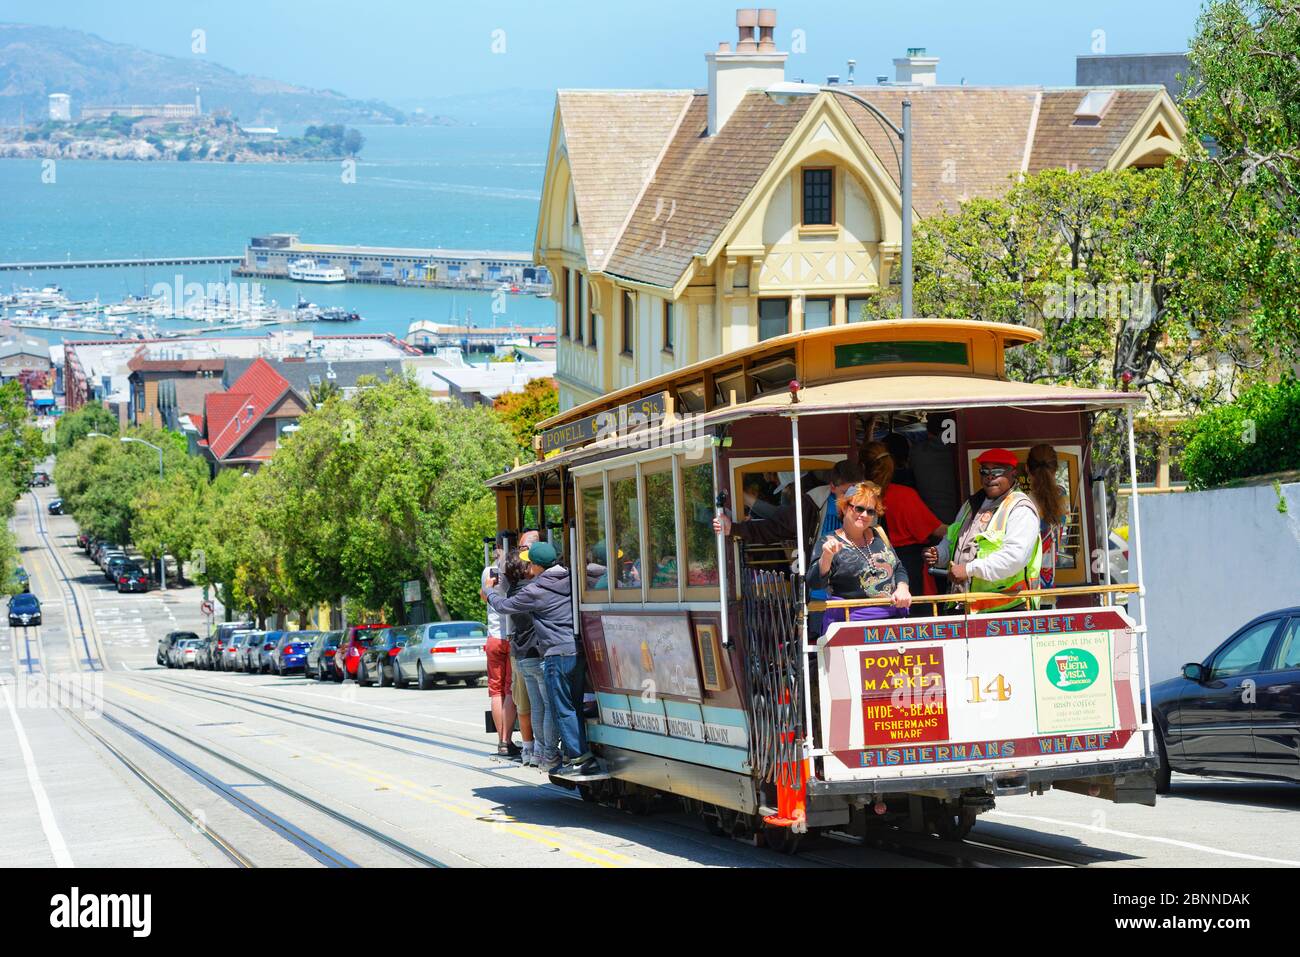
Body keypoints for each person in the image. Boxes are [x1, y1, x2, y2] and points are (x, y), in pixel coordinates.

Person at [484, 541, 599, 778]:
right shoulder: (572, 579)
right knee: (574, 706)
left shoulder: (536, 590)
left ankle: (578, 759)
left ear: (536, 565)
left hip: (556, 653)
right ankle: (576, 755)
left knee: (561, 708)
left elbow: (505, 606)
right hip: (577, 650)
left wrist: (489, 593)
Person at [924, 448, 1042, 613]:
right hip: (964, 606)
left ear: (1013, 473)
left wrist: (969, 569)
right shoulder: (971, 505)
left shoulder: (1020, 508)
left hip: (1007, 610)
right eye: (984, 471)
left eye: (997, 471)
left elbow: (1015, 558)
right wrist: (939, 554)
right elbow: (951, 540)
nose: (990, 476)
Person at [807, 482, 912, 632]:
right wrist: (827, 556)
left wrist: (903, 588)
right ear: (844, 507)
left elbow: (898, 567)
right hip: (849, 625)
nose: (864, 515)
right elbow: (814, 583)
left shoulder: (879, 535)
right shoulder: (828, 541)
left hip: (891, 621)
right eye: (859, 508)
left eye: (870, 511)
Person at [713, 460, 864, 561]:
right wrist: (734, 528)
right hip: (822, 591)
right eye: (846, 493)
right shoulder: (812, 504)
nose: (852, 500)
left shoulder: (869, 507)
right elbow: (773, 528)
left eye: (856, 493)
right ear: (832, 487)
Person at [860, 441, 946, 596]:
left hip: (871, 563)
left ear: (862, 468)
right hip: (909, 565)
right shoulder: (905, 495)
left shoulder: (858, 498)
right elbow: (938, 530)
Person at [504, 547, 553, 770]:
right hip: (537, 653)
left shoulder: (512, 591)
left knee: (534, 707)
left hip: (521, 654)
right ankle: (545, 752)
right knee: (547, 706)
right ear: (526, 568)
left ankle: (534, 752)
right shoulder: (533, 589)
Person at [481, 543, 520, 760]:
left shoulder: (488, 571)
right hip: (511, 635)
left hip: (494, 637)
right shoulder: (516, 569)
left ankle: (501, 742)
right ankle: (508, 739)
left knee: (496, 691)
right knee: (510, 689)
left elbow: (483, 595)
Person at [1025, 444, 1069, 591]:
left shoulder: (1021, 503)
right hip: (1049, 579)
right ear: (1055, 469)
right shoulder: (1062, 498)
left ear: (1027, 469)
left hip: (1026, 583)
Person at [910, 412, 960, 524]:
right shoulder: (957, 449)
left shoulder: (917, 452)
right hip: (966, 518)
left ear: (929, 432)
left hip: (932, 521)